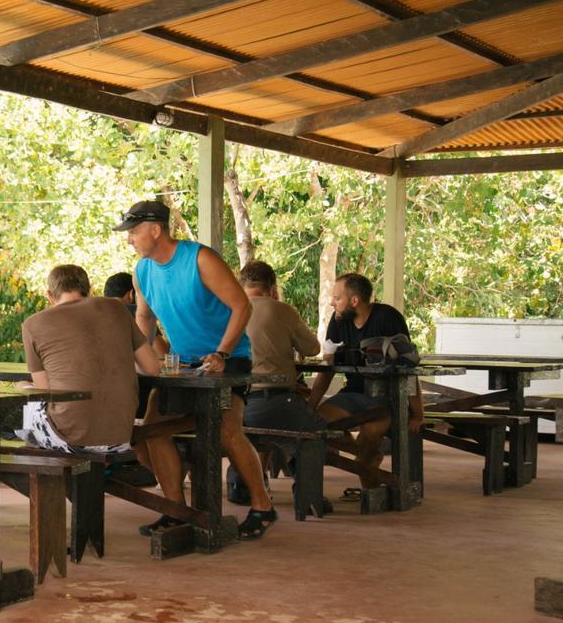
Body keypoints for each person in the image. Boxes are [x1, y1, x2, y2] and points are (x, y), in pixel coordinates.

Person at [116, 200, 277, 539]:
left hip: (228, 359)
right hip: (182, 363)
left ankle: (263, 505)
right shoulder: (142, 270)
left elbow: (241, 306)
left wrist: (222, 352)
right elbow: (144, 318)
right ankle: (176, 510)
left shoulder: (200, 258)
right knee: (153, 430)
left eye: (133, 232)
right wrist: (137, 357)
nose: (129, 239)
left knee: (226, 431)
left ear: (155, 230)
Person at [19, 265, 161, 453]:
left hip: (71, 439)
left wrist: (25, 387)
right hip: (120, 437)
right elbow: (152, 367)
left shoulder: (32, 324)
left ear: (49, 295)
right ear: (90, 289)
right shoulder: (116, 308)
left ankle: (37, 476)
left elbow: (44, 390)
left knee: (23, 394)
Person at [308, 272, 423, 489]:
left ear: (354, 301)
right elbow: (328, 368)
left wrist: (418, 412)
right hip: (353, 393)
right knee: (317, 423)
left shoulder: (387, 317)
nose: (332, 302)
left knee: (369, 435)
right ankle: (368, 460)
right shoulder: (339, 319)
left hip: (388, 398)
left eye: (337, 298)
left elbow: (408, 367)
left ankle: (371, 491)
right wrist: (310, 406)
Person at [228, 260, 326, 505]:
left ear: (242, 285)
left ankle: (242, 485)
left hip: (235, 405)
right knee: (315, 431)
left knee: (242, 433)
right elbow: (313, 348)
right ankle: (307, 495)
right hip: (276, 400)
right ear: (271, 287)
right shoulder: (281, 310)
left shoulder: (226, 311)